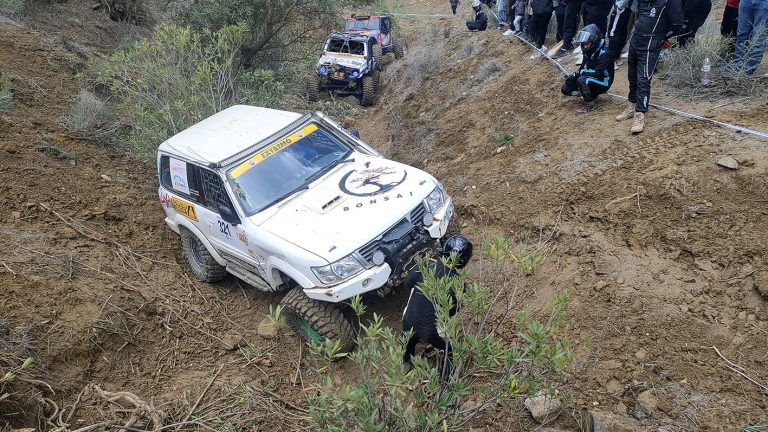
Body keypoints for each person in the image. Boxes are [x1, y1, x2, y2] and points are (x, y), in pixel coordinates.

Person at [402, 236, 473, 380]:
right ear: (464, 261)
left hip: (407, 321)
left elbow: (407, 285)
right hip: (431, 331)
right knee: (451, 351)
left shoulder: (424, 265)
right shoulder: (458, 283)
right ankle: (446, 382)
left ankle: (406, 360)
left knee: (409, 337)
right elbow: (452, 311)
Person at [615, 0, 683, 134]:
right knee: (632, 76)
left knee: (643, 79)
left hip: (651, 43)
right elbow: (639, 15)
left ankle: (639, 114)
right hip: (636, 40)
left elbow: (677, 25)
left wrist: (662, 38)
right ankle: (631, 105)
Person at [561, 24, 615, 113]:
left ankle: (589, 104)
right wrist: (573, 76)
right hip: (591, 78)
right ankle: (588, 94)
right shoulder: (588, 52)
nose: (585, 46)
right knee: (565, 89)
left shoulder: (605, 53)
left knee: (582, 80)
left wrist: (579, 73)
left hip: (603, 81)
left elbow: (597, 73)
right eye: (583, 44)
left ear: (594, 41)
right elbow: (583, 67)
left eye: (587, 44)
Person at [732, 0, 768, 75]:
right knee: (741, 35)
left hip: (764, 2)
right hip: (745, 1)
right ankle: (737, 66)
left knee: (758, 37)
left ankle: (748, 70)